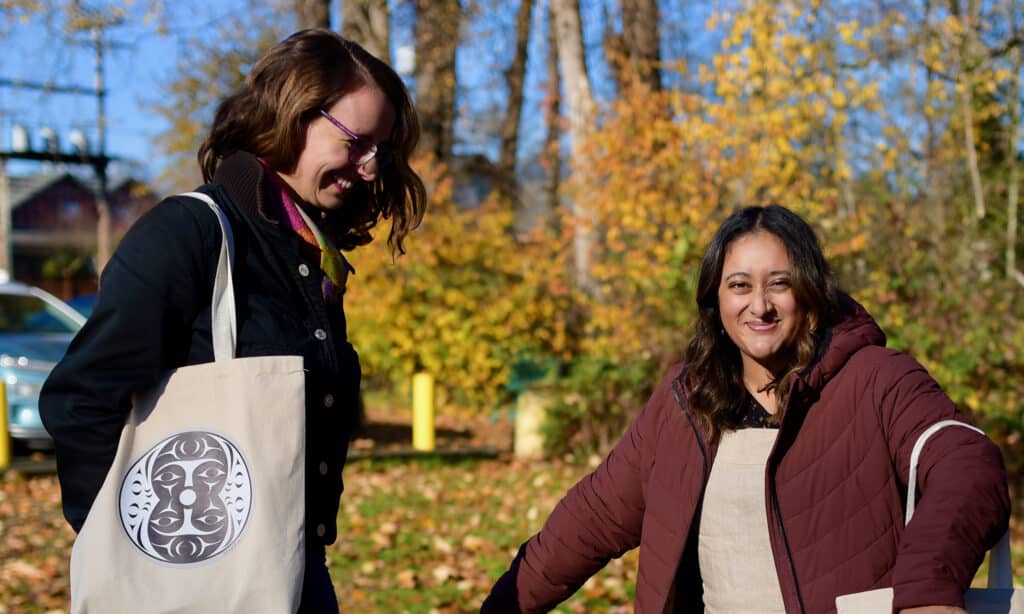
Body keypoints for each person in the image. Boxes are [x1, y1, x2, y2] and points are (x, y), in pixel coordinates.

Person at [40, 29, 426, 613]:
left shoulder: (308, 255)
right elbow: (80, 401)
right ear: (293, 114)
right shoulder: (189, 234)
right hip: (196, 585)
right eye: (357, 142)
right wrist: (137, 548)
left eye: (383, 150)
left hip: (292, 574)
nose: (372, 169)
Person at [481, 205, 1010, 614]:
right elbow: (590, 520)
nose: (759, 305)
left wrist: (926, 589)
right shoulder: (683, 404)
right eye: (739, 286)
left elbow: (967, 464)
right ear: (716, 298)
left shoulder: (877, 378)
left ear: (810, 291)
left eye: (779, 283)